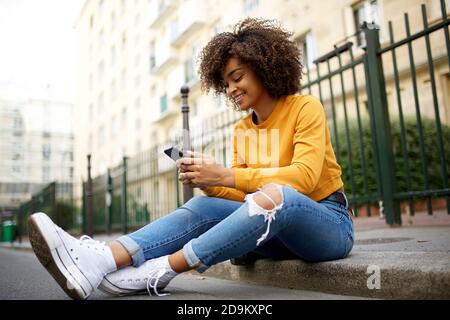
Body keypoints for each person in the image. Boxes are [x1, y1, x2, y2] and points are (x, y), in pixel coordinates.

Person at [28, 18, 354, 300]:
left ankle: (163, 269)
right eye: (225, 83)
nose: (231, 89)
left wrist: (225, 176)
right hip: (274, 234)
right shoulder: (242, 129)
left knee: (277, 195)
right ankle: (102, 259)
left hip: (327, 225)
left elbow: (305, 178)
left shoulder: (304, 108)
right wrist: (209, 182)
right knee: (202, 206)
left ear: (264, 68)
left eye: (237, 77)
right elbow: (245, 197)